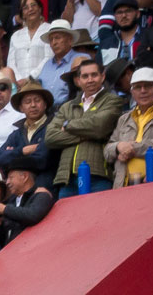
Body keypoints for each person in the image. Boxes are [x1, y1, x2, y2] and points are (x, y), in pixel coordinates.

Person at [47, 56, 124, 195]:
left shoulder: (113, 100)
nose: (90, 79)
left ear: (102, 76)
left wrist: (67, 124)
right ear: (78, 81)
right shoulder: (67, 106)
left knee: (98, 216)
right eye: (85, 76)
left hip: (98, 173)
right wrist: (87, 135)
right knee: (69, 217)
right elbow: (50, 137)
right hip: (66, 177)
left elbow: (99, 127)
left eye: (94, 75)